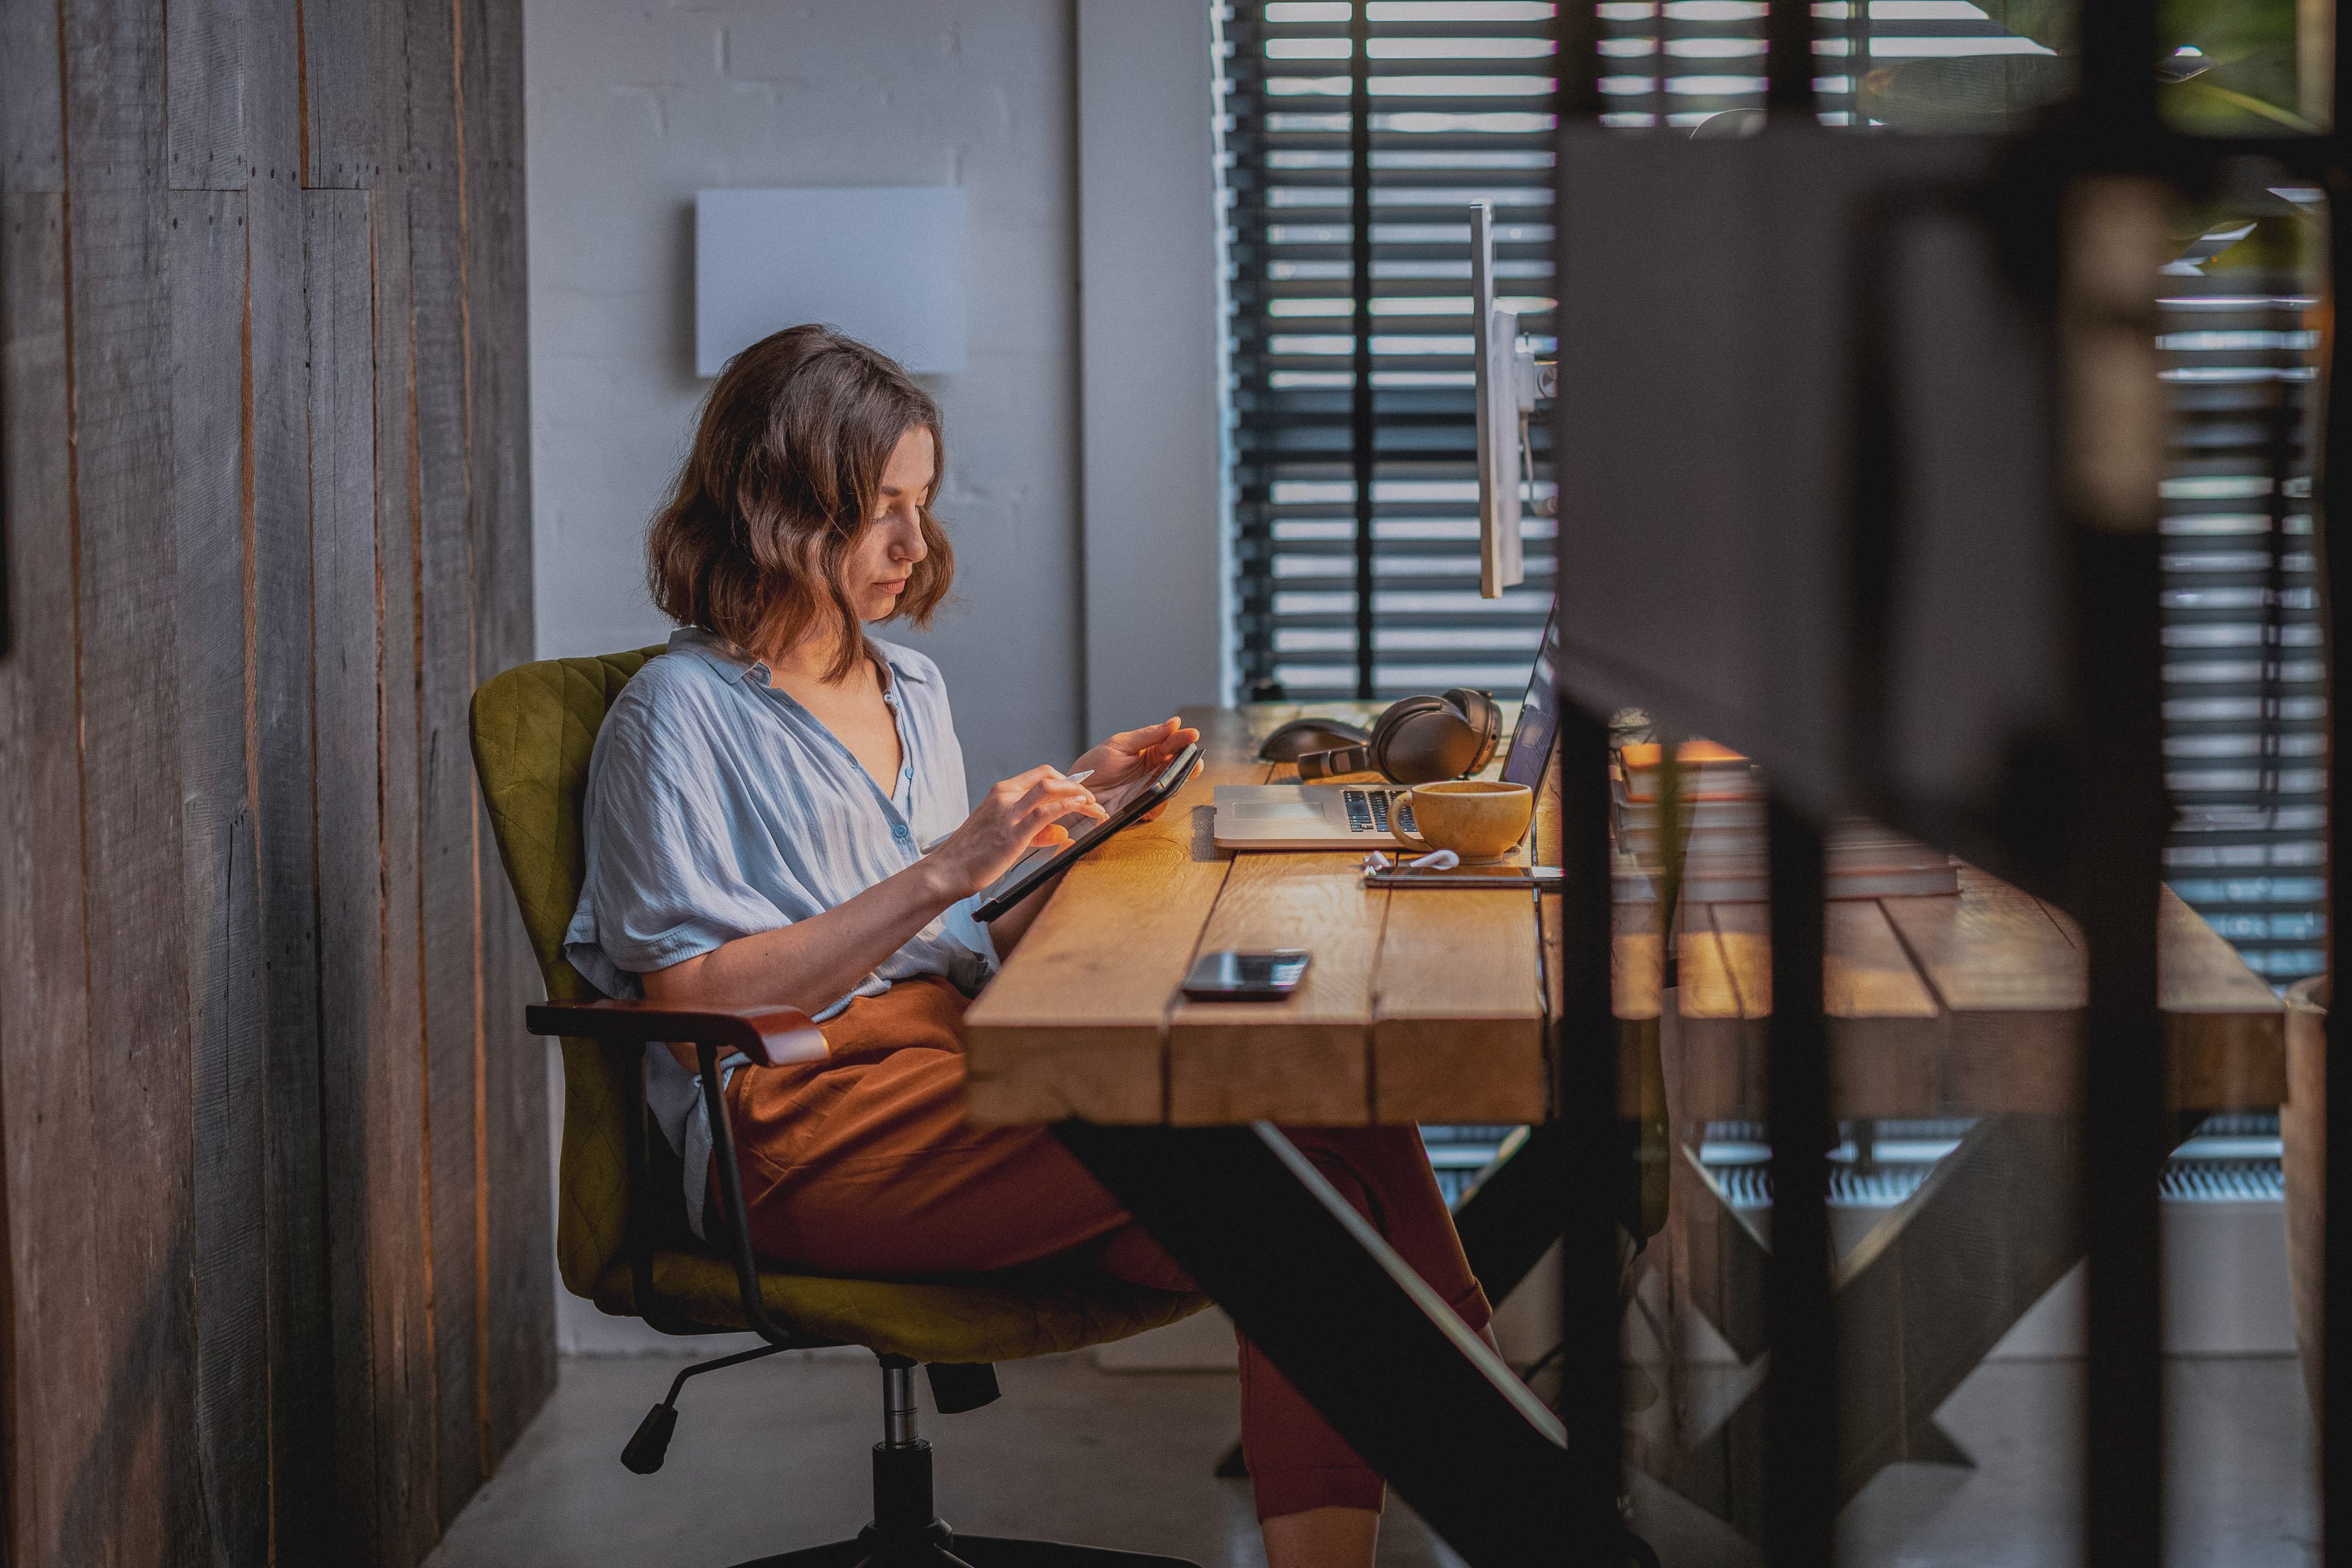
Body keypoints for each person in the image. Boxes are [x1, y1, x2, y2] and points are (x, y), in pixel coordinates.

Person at [565, 324, 1493, 1568]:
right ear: (778, 509)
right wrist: (947, 865)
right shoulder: (672, 719)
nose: (915, 544)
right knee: (1289, 1144)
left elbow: (955, 944)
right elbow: (691, 995)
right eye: (879, 510)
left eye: (922, 503)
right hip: (798, 1127)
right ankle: (1501, 1465)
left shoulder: (909, 688)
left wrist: (1073, 829)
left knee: (1319, 1179)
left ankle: (1473, 1475)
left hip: (959, 1069)